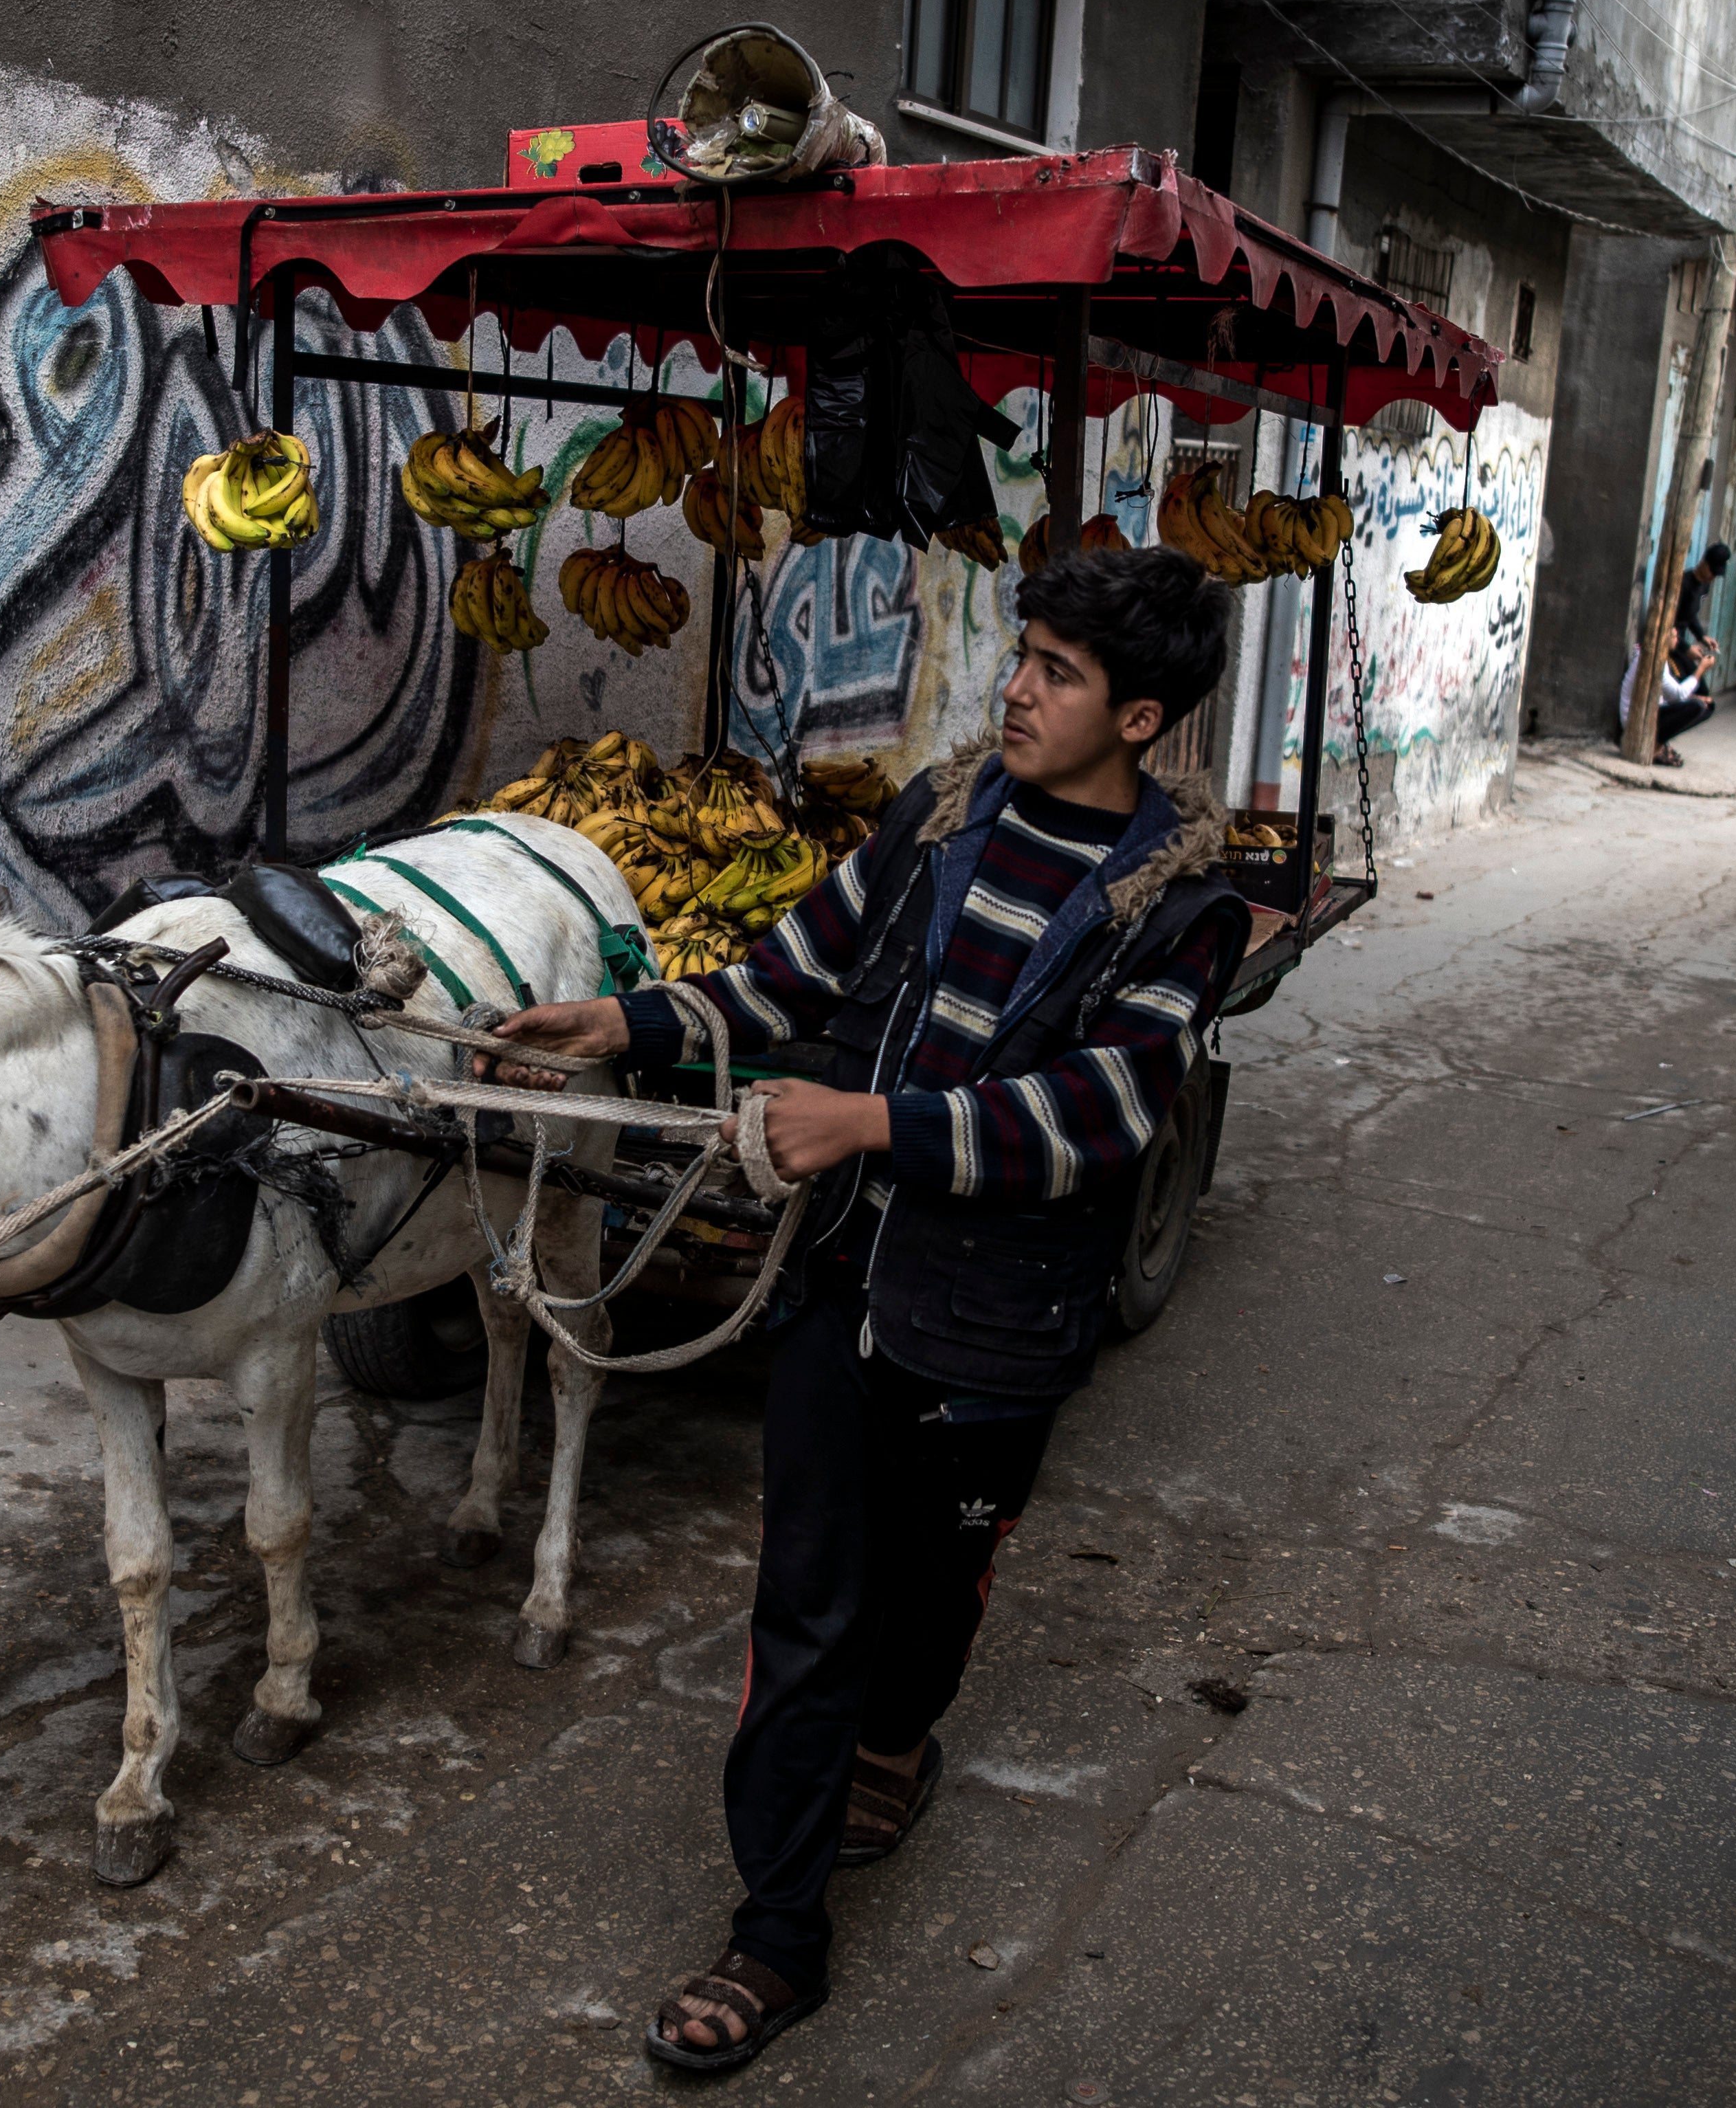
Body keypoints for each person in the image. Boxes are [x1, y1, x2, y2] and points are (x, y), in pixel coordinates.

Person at [480, 547, 1249, 2075]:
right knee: (809, 1609)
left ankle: (903, 1741)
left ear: (1142, 717)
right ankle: (776, 1937)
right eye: (1020, 657)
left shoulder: (1188, 911)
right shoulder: (940, 819)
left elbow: (1097, 1115)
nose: (1014, 690)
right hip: (843, 1285)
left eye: (1058, 674)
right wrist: (629, 1020)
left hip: (1002, 1322)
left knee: (936, 1594)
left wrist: (867, 1122)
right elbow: (788, 974)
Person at [1619, 632, 1718, 764]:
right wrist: (1701, 669)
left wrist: (1695, 697)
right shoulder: (1652, 659)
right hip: (1638, 720)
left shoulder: (1661, 658)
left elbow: (1670, 696)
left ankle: (1660, 744)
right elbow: (1678, 695)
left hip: (1652, 711)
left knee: (1707, 706)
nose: (1677, 640)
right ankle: (1655, 746)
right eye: (1675, 637)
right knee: (1697, 707)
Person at [1673, 541, 1732, 656]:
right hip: (1671, 643)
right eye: (1713, 572)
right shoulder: (1683, 584)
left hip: (1680, 643)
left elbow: (1689, 616)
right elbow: (1670, 623)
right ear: (1704, 563)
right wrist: (1687, 649)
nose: (1713, 577)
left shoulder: (1705, 586)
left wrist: (1702, 636)